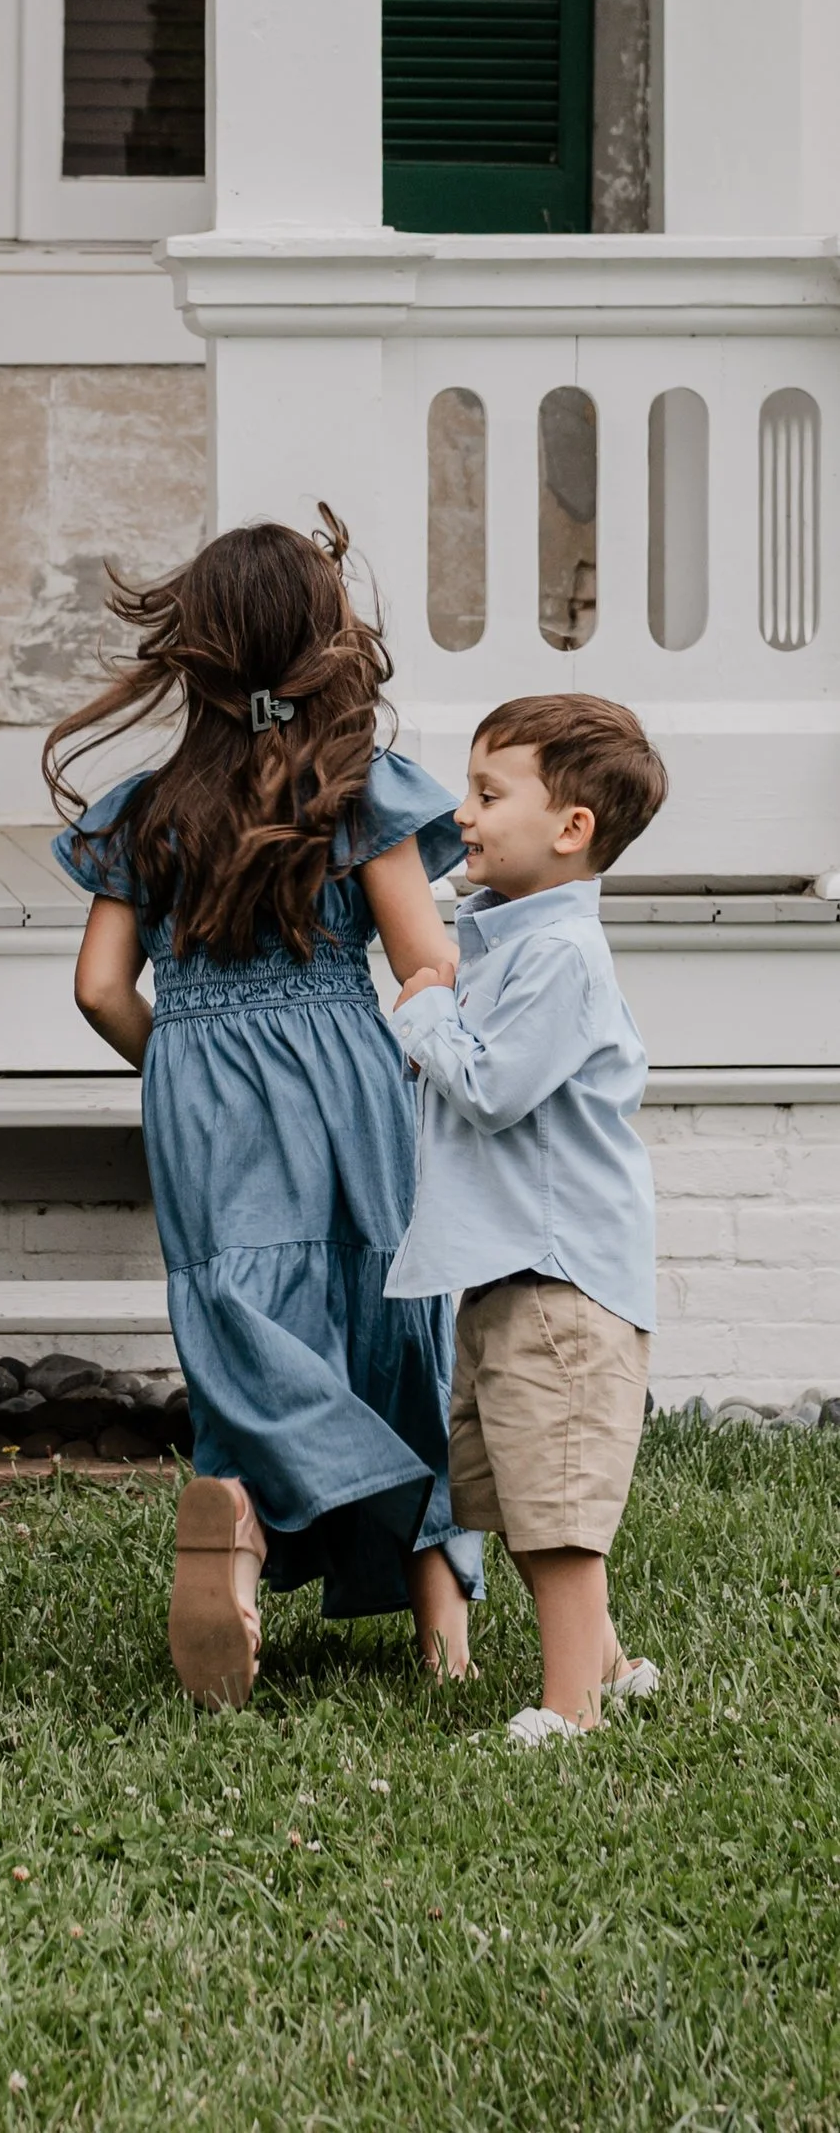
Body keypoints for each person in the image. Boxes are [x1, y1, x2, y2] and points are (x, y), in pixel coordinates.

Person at [55, 513, 483, 1707]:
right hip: (343, 1068)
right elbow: (426, 963)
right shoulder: (355, 794)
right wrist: (396, 1062)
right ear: (320, 642)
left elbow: (97, 988)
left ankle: (236, 1524)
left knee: (245, 1318)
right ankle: (444, 1637)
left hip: (198, 1080)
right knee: (393, 1317)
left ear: (194, 650)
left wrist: (176, 1061)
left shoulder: (148, 809)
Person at [386, 694, 666, 1747]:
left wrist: (420, 1009)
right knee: (517, 1487)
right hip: (513, 1273)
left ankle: (570, 1706)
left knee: (555, 1511)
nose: (462, 813)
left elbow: (495, 1089)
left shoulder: (557, 957)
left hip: (558, 1280)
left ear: (570, 828)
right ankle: (608, 1663)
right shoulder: (514, 940)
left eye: (487, 793)